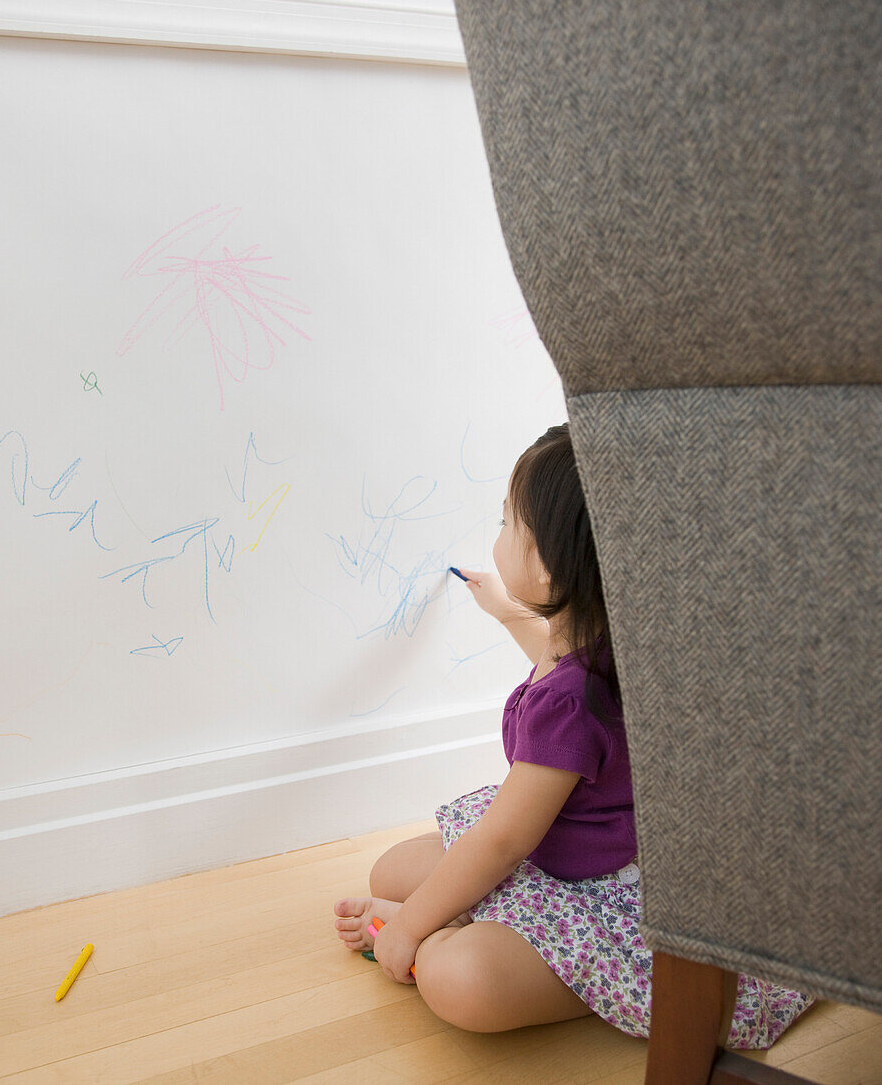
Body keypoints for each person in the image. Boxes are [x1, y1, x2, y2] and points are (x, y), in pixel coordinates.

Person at [333, 424, 816, 1046]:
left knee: (458, 980)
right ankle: (461, 925)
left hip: (602, 896)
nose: (499, 534)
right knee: (392, 871)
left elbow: (504, 840)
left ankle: (592, 977)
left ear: (552, 561)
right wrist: (508, 612)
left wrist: (405, 934)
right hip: (565, 854)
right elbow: (561, 674)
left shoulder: (569, 699)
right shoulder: (603, 645)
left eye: (509, 522)